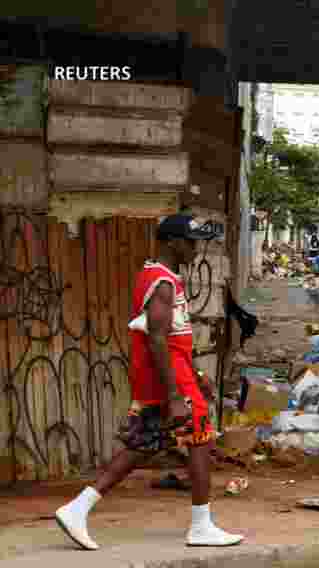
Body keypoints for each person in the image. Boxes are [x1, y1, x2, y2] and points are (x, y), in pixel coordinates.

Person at [55, 213, 244, 550]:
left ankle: (77, 508)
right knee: (200, 441)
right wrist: (175, 394)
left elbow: (170, 339)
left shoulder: (160, 277)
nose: (195, 249)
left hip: (174, 377)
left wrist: (197, 375)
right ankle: (201, 526)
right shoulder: (162, 283)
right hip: (171, 382)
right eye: (190, 242)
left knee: (141, 445)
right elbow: (157, 337)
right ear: (173, 242)